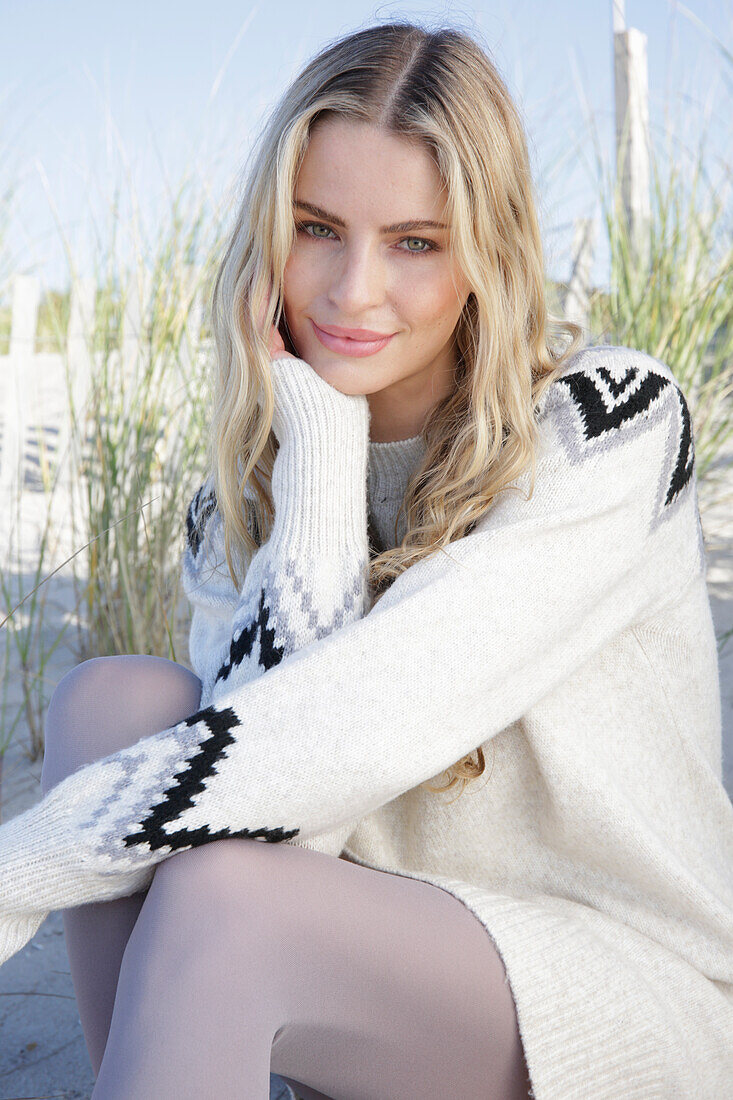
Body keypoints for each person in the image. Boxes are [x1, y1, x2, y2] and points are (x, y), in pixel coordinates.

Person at [1, 18, 731, 1100]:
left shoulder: (608, 419)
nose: (351, 292)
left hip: (607, 991)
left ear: (487, 250)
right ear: (270, 231)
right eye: (316, 228)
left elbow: (372, 713)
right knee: (110, 699)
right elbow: (290, 821)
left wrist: (17, 876)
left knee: (222, 903)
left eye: (414, 242)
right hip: (362, 964)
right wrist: (317, 456)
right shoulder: (240, 497)